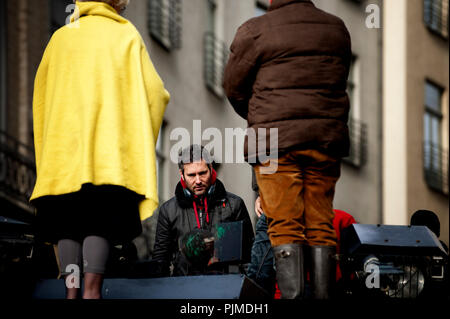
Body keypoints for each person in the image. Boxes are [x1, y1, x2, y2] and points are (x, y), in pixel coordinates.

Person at [31, 0, 170, 299]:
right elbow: (156, 93)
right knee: (99, 221)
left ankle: (71, 293)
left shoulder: (60, 38)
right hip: (109, 159)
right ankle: (91, 292)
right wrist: (137, 137)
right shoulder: (126, 35)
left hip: (64, 158)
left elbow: (39, 96)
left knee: (68, 225)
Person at [223, 0, 352, 299]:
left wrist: (260, 116)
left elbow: (233, 87)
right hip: (324, 140)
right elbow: (337, 82)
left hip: (273, 143)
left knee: (284, 225)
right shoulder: (336, 30)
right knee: (321, 223)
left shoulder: (255, 31)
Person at [152, 145, 254, 276]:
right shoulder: (168, 210)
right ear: (181, 174)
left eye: (202, 173)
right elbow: (160, 260)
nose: (198, 180)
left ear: (211, 169)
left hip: (224, 288)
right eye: (191, 175)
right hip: (183, 288)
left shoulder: (234, 205)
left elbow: (249, 255)